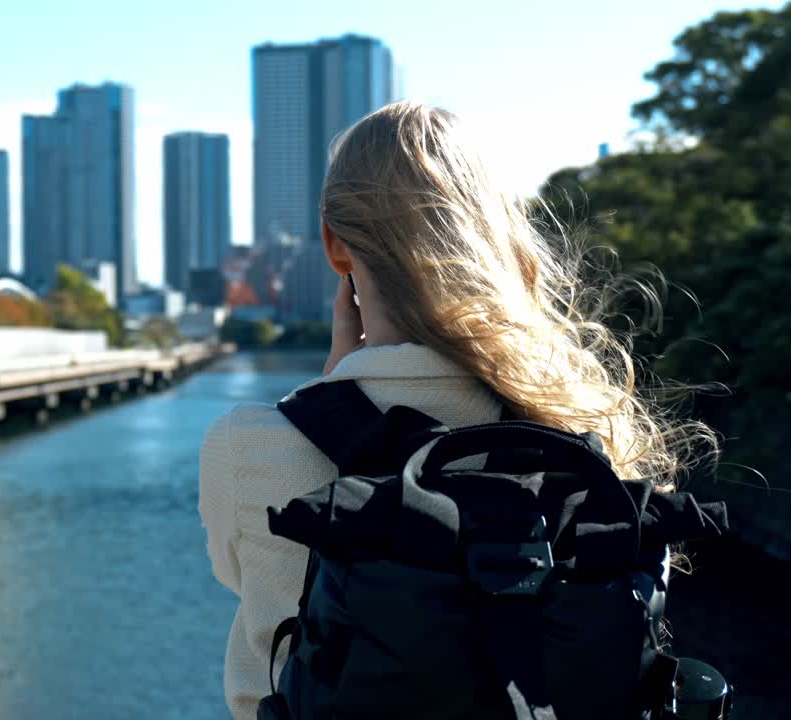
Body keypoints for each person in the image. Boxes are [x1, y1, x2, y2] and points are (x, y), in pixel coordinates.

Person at [198, 101, 714, 719]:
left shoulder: (251, 444)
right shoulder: (582, 432)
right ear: (499, 236)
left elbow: (253, 580)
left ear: (337, 247)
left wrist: (333, 395)